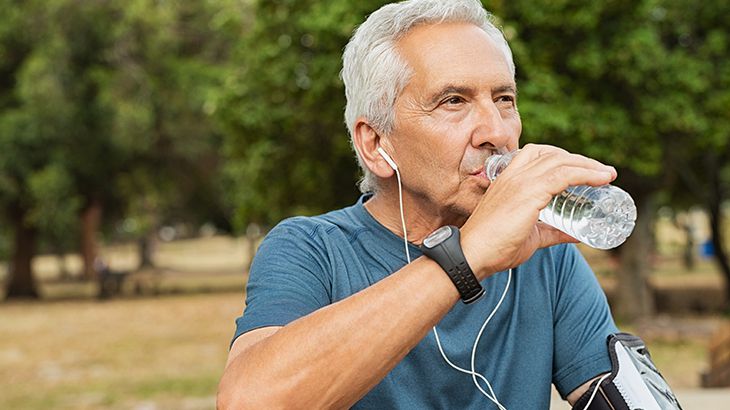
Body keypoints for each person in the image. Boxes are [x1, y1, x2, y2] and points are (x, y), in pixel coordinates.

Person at [218, 0, 630, 408]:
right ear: (377, 144)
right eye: (454, 101)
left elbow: (627, 395)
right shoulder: (312, 249)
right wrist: (466, 258)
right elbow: (250, 402)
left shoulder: (543, 257)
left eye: (504, 99)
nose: (496, 132)